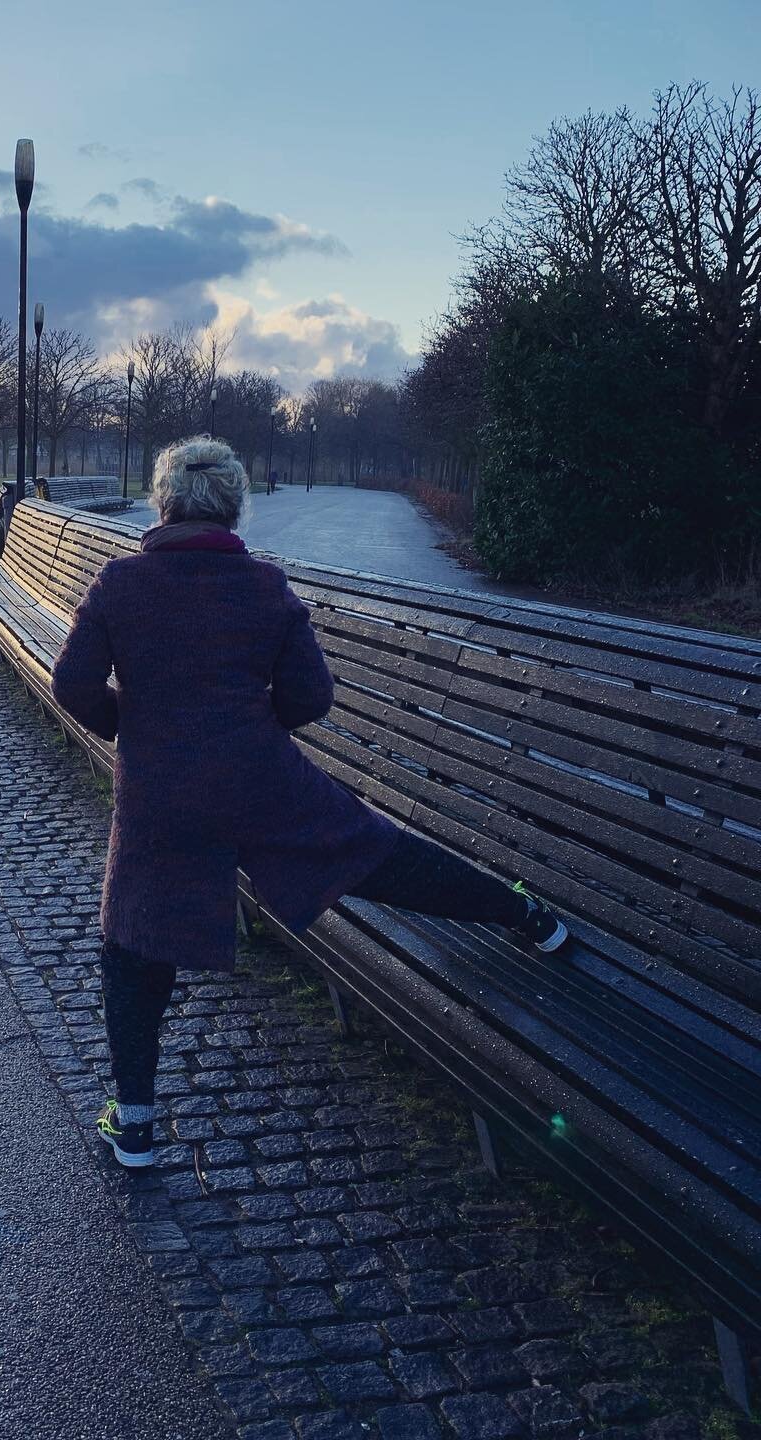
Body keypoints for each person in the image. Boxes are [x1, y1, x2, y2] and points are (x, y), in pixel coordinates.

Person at [50, 435, 568, 1170]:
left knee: (133, 937)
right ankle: (527, 916)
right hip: (263, 784)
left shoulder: (119, 585)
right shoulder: (266, 588)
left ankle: (134, 1123)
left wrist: (135, 729)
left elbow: (72, 686)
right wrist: (256, 731)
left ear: (162, 504)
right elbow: (311, 697)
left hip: (160, 794)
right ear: (234, 510)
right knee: (374, 853)